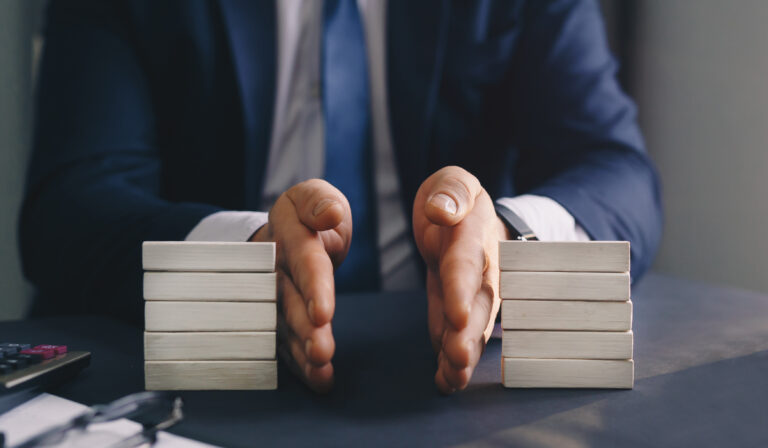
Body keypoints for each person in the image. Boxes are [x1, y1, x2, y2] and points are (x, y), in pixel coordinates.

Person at [19, 0, 662, 394]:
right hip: (199, 377)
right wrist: (244, 257)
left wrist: (505, 238)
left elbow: (614, 170)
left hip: (445, 373)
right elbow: (69, 204)